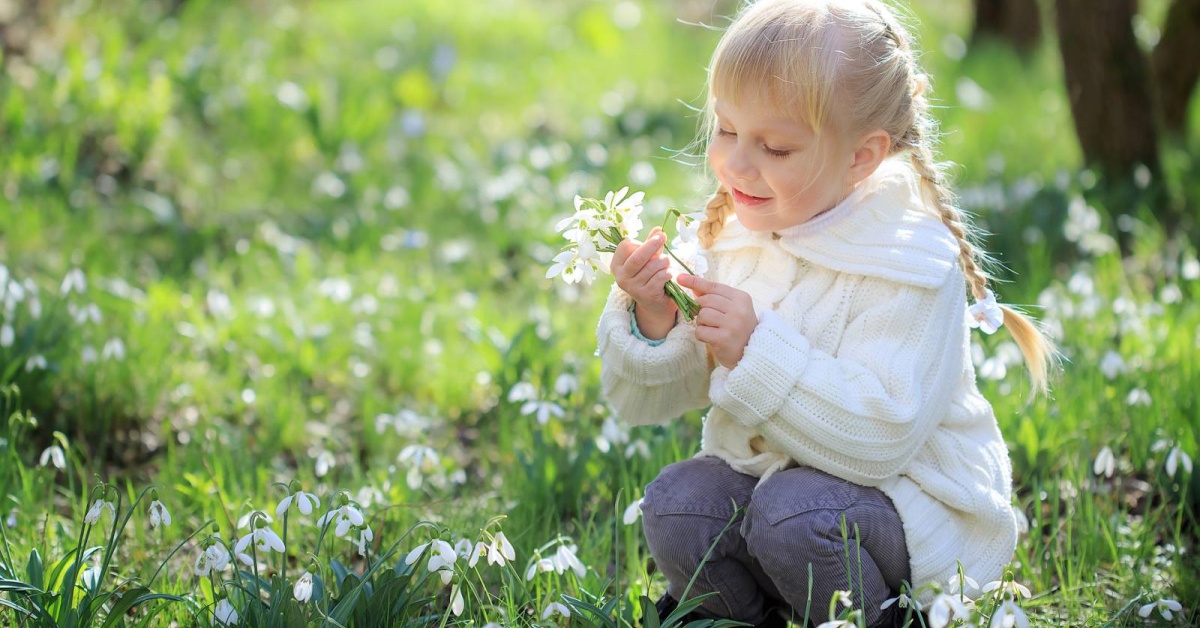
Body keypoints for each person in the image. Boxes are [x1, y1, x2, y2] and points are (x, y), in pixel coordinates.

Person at [594, 1, 1055, 626]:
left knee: (793, 511)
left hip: (901, 511)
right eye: (726, 130)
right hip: (776, 501)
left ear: (862, 157)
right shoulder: (739, 235)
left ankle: (879, 619)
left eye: (776, 147)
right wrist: (654, 315)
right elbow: (642, 403)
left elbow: (881, 438)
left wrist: (754, 350)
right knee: (677, 503)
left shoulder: (910, 263)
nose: (735, 164)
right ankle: (739, 617)